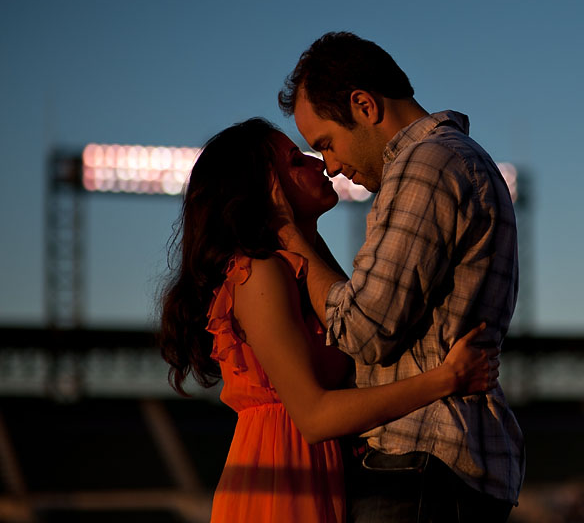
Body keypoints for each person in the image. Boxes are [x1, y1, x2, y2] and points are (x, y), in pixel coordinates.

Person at [158, 117, 499, 523]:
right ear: (264, 186)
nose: (318, 162)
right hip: (282, 486)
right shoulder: (260, 273)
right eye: (295, 160)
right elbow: (316, 416)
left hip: (312, 474)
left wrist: (293, 232)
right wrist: (448, 378)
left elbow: (354, 319)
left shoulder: (296, 266)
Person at [276, 32, 525, 522]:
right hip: (446, 463)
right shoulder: (460, 158)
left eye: (327, 144)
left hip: (421, 458)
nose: (330, 167)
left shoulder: (425, 164)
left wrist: (296, 242)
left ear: (365, 105)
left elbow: (364, 331)